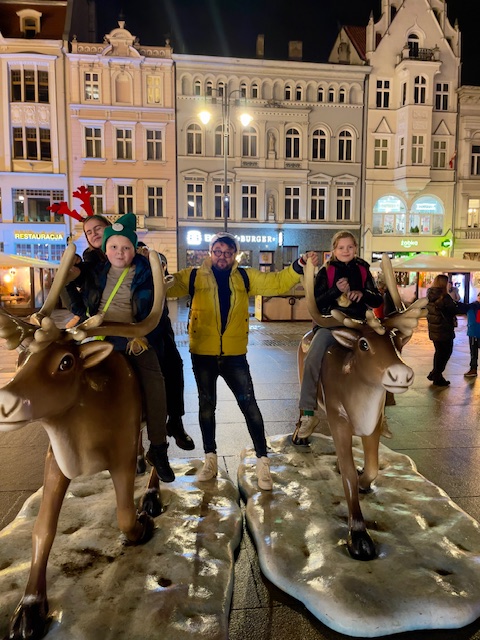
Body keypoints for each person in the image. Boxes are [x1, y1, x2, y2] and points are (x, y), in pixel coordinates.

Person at [166, 232, 318, 491]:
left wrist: (299, 265)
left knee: (250, 407)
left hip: (234, 355)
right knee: (206, 407)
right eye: (217, 251)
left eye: (228, 252)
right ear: (210, 252)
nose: (222, 256)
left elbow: (276, 283)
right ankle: (210, 459)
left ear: (234, 255)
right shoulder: (192, 276)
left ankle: (262, 461)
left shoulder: (245, 277)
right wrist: (151, 268)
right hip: (203, 354)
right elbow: (167, 286)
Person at [65, 213, 175, 482]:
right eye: (114, 246)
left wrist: (143, 335)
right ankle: (77, 436)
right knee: (69, 376)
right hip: (99, 337)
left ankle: (158, 447)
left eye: (126, 247)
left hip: (132, 337)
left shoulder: (146, 270)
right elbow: (78, 302)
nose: (120, 252)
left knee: (155, 381)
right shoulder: (95, 272)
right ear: (106, 250)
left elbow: (157, 305)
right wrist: (68, 280)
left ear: (134, 249)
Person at [293, 231, 383, 440]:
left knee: (384, 353)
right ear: (334, 249)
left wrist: (363, 294)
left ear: (355, 248)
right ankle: (308, 413)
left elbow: (377, 299)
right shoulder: (327, 271)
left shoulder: (363, 268)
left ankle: (382, 413)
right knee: (312, 357)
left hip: (358, 325)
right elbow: (317, 302)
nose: (346, 251)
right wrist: (335, 290)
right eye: (341, 247)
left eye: (350, 247)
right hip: (331, 325)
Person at [136, 241, 195, 450]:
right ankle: (146, 445)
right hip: (135, 333)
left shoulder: (153, 263)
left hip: (161, 330)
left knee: (175, 367)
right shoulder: (124, 267)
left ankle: (175, 421)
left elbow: (166, 282)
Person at [426, 274, 458, 387]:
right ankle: (436, 374)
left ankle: (437, 376)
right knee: (446, 352)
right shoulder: (444, 297)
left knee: (439, 352)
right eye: (448, 282)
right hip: (444, 330)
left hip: (435, 330)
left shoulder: (430, 296)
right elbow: (453, 310)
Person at [459, 292, 480, 377]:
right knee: (473, 352)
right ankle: (473, 369)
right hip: (474, 333)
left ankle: (473, 369)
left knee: (474, 352)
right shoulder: (472, 306)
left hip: (474, 332)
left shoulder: (472, 307)